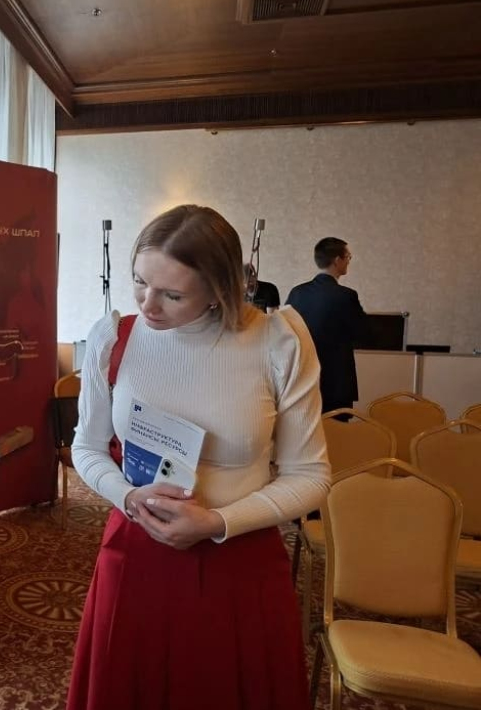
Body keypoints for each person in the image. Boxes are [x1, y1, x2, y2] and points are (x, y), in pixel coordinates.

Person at [67, 204, 330, 710]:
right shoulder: (114, 338)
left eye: (172, 294)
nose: (148, 305)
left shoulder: (277, 342)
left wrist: (217, 522)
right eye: (139, 282)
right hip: (137, 548)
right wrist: (128, 497)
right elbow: (88, 446)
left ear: (219, 289)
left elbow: (311, 475)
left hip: (240, 556)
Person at [285, 237, 369, 413]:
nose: (349, 261)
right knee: (337, 429)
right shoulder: (346, 296)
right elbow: (363, 333)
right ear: (337, 260)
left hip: (303, 379)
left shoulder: (297, 293)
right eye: (348, 257)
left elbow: (286, 331)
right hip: (337, 381)